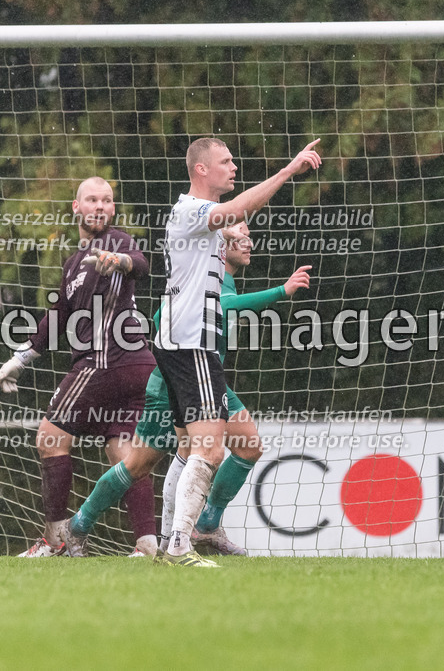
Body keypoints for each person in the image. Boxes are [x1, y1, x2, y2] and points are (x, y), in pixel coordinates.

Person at [62, 223, 311, 559]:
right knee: (139, 464)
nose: (248, 241)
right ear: (220, 243)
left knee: (247, 446)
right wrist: (282, 291)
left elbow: (164, 315)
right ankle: (79, 526)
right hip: (173, 384)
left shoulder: (219, 278)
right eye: (240, 234)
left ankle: (204, 525)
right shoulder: (203, 276)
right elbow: (217, 307)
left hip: (207, 379)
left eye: (249, 235)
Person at [150, 136, 321, 566]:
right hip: (192, 342)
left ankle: (170, 542)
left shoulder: (197, 217)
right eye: (225, 161)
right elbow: (238, 209)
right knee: (209, 450)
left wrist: (234, 229)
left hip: (181, 342)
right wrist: (287, 171)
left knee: (190, 448)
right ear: (201, 169)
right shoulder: (192, 210)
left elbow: (234, 217)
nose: (233, 167)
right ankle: (180, 545)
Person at [0, 176, 158, 557]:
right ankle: (147, 545)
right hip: (134, 367)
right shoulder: (72, 265)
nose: (100, 206)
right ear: (76, 207)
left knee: (50, 438)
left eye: (107, 200)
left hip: (106, 360)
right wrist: (19, 359)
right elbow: (58, 317)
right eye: (92, 200)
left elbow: (140, 265)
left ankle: (57, 542)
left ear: (113, 209)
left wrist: (120, 262)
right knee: (125, 456)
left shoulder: (116, 241)